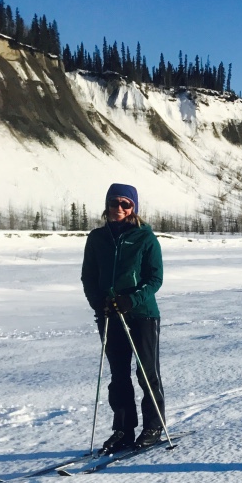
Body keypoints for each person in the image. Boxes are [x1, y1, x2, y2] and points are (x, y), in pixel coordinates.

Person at [81, 183, 165, 454]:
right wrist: (97, 303)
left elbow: (155, 279)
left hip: (142, 314)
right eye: (114, 202)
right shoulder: (97, 238)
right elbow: (89, 276)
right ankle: (123, 430)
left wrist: (132, 299)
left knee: (147, 373)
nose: (119, 208)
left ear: (133, 208)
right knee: (118, 375)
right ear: (106, 205)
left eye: (125, 203)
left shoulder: (145, 238)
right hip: (109, 314)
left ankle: (154, 426)